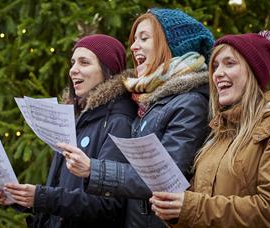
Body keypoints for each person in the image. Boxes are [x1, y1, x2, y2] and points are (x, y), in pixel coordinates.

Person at [59, 8, 214, 227]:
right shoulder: (150, 98)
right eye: (134, 39)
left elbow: (163, 177)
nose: (133, 46)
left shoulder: (189, 103)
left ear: (171, 45)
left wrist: (94, 169)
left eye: (144, 38)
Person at [150, 31, 270, 227]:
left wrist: (190, 207)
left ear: (253, 72)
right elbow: (198, 207)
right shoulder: (217, 134)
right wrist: (175, 210)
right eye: (215, 66)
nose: (217, 73)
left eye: (229, 63)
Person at [0, 34, 137, 228]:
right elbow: (62, 194)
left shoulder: (119, 121)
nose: (73, 70)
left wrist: (40, 197)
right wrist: (22, 199)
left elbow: (108, 206)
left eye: (84, 62)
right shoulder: (78, 118)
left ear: (108, 70)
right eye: (73, 62)